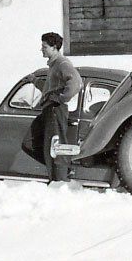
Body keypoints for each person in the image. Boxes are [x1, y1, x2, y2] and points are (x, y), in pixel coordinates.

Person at [38, 31, 82, 182]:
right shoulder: (54, 64)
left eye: (45, 46)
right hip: (50, 109)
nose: (42, 49)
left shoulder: (62, 63)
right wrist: (34, 81)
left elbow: (76, 82)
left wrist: (62, 98)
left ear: (54, 47)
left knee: (56, 147)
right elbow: (51, 89)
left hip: (56, 109)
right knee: (45, 146)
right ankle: (56, 177)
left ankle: (59, 181)